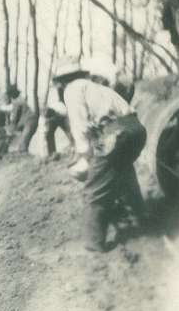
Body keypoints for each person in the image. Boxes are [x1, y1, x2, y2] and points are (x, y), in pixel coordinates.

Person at [55, 56, 147, 252]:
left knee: (94, 190)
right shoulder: (96, 87)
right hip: (136, 129)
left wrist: (84, 155)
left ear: (62, 80)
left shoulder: (72, 90)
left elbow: (79, 125)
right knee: (124, 173)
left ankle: (94, 244)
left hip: (115, 134)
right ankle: (141, 220)